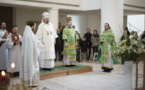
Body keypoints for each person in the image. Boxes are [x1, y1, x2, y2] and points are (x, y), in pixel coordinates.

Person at [20, 21, 43, 87]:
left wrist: (39, 43)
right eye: (35, 25)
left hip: (27, 55)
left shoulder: (26, 33)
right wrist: (41, 45)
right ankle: (32, 83)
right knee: (34, 67)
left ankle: (28, 83)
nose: (35, 27)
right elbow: (35, 43)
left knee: (28, 67)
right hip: (32, 55)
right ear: (32, 26)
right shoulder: (30, 35)